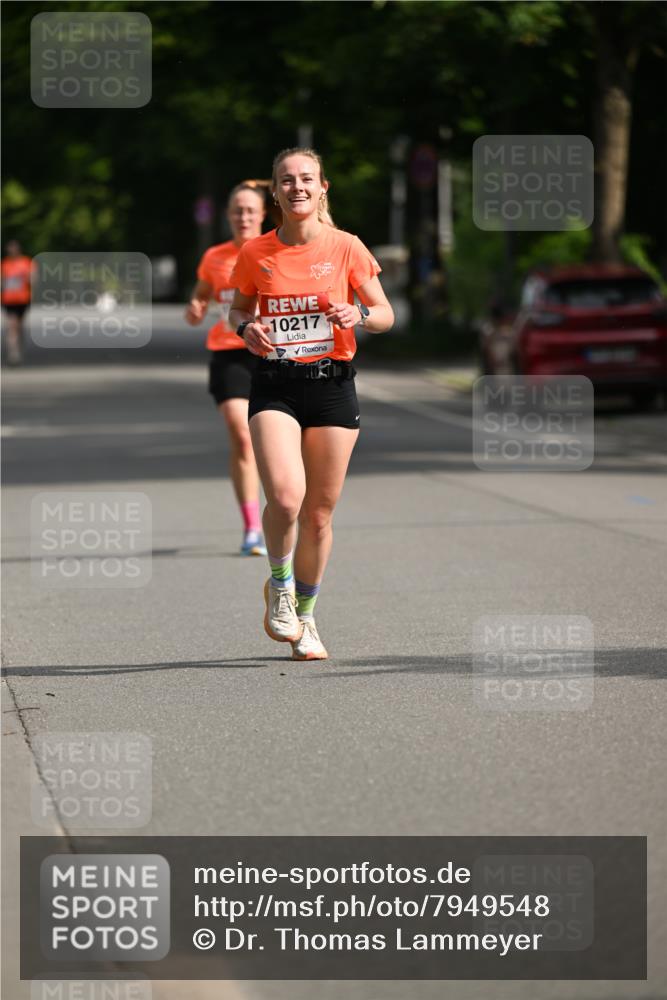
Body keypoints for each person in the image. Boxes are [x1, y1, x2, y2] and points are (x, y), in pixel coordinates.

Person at [229, 147, 394, 660]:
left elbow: (386, 313)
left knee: (319, 515)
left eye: (306, 179)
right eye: (286, 180)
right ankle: (278, 584)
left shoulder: (346, 247)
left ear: (323, 188)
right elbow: (236, 308)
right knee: (286, 498)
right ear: (275, 193)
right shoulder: (257, 253)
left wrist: (360, 314)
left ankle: (306, 616)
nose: (297, 186)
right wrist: (246, 327)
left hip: (332, 385)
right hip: (276, 382)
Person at [185, 183, 269, 556]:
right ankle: (252, 528)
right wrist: (196, 306)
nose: (244, 216)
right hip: (229, 354)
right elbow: (203, 292)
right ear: (228, 215)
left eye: (250, 210)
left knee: (280, 443)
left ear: (263, 214)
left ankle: (282, 509)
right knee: (242, 435)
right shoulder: (215, 256)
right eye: (237, 210)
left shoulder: (277, 251)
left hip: (272, 353)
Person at [2, 240, 33, 366]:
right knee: (12, 326)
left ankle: (18, 349)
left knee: (18, 326)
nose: (12, 251)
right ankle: (13, 354)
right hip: (8, 299)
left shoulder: (26, 262)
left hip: (23, 299)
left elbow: (33, 279)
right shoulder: (4, 264)